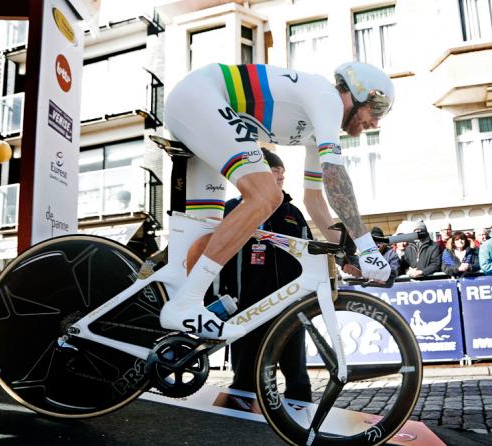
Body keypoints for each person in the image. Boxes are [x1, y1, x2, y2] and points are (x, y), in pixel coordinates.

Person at [160, 61, 395, 338]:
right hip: (203, 96)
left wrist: (345, 250)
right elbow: (336, 177)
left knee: (208, 233)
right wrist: (367, 247)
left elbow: (314, 199)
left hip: (195, 105)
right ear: (355, 94)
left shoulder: (315, 129)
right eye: (376, 110)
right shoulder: (327, 98)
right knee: (267, 196)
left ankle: (165, 304)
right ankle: (185, 304)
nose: (376, 122)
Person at [220, 148, 311, 401]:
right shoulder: (232, 208)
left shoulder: (292, 212)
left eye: (283, 173)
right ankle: (240, 420)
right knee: (246, 375)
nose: (281, 178)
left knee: (297, 374)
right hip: (247, 305)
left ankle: (302, 419)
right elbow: (218, 257)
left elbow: (310, 252)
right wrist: (223, 295)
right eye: (275, 172)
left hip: (289, 303)